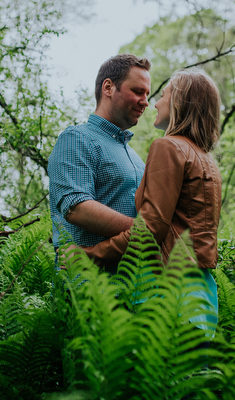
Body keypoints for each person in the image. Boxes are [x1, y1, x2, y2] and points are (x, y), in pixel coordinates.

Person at [81, 69, 222, 325]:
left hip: (171, 288)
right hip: (203, 290)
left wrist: (89, 254)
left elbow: (150, 229)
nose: (154, 103)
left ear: (181, 101)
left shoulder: (167, 146)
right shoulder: (206, 160)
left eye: (163, 94)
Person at [48, 54, 151, 272]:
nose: (145, 101)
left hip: (135, 288)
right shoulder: (76, 138)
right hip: (86, 287)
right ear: (108, 87)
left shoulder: (136, 158)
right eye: (137, 91)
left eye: (147, 94)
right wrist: (146, 234)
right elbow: (77, 208)